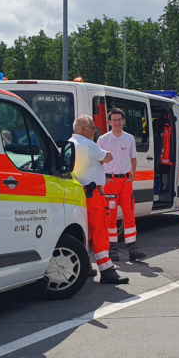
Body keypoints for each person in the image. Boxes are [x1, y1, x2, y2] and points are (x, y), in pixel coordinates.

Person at [70, 115, 129, 284]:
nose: (95, 131)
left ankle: (86, 265)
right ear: (83, 129)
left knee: (85, 232)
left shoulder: (70, 143)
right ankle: (107, 270)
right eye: (93, 128)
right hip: (93, 194)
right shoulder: (89, 145)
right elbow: (108, 157)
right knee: (100, 231)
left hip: (78, 193)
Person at [97, 108, 147, 263]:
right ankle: (112, 249)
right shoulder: (103, 140)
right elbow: (97, 162)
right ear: (109, 122)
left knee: (129, 216)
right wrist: (103, 179)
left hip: (125, 183)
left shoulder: (130, 139)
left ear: (123, 121)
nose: (117, 123)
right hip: (110, 183)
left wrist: (131, 177)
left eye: (119, 120)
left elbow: (133, 159)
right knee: (111, 218)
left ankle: (133, 249)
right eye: (114, 120)